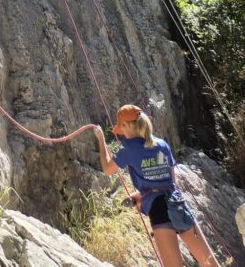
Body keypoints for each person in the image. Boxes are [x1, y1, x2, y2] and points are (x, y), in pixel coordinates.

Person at [93, 104, 220, 267]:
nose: (121, 133)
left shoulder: (128, 148)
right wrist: (143, 193)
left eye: (122, 128)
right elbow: (170, 181)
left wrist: (101, 140)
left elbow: (108, 169)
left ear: (127, 126)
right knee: (210, 263)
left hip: (158, 210)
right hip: (177, 203)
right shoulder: (162, 144)